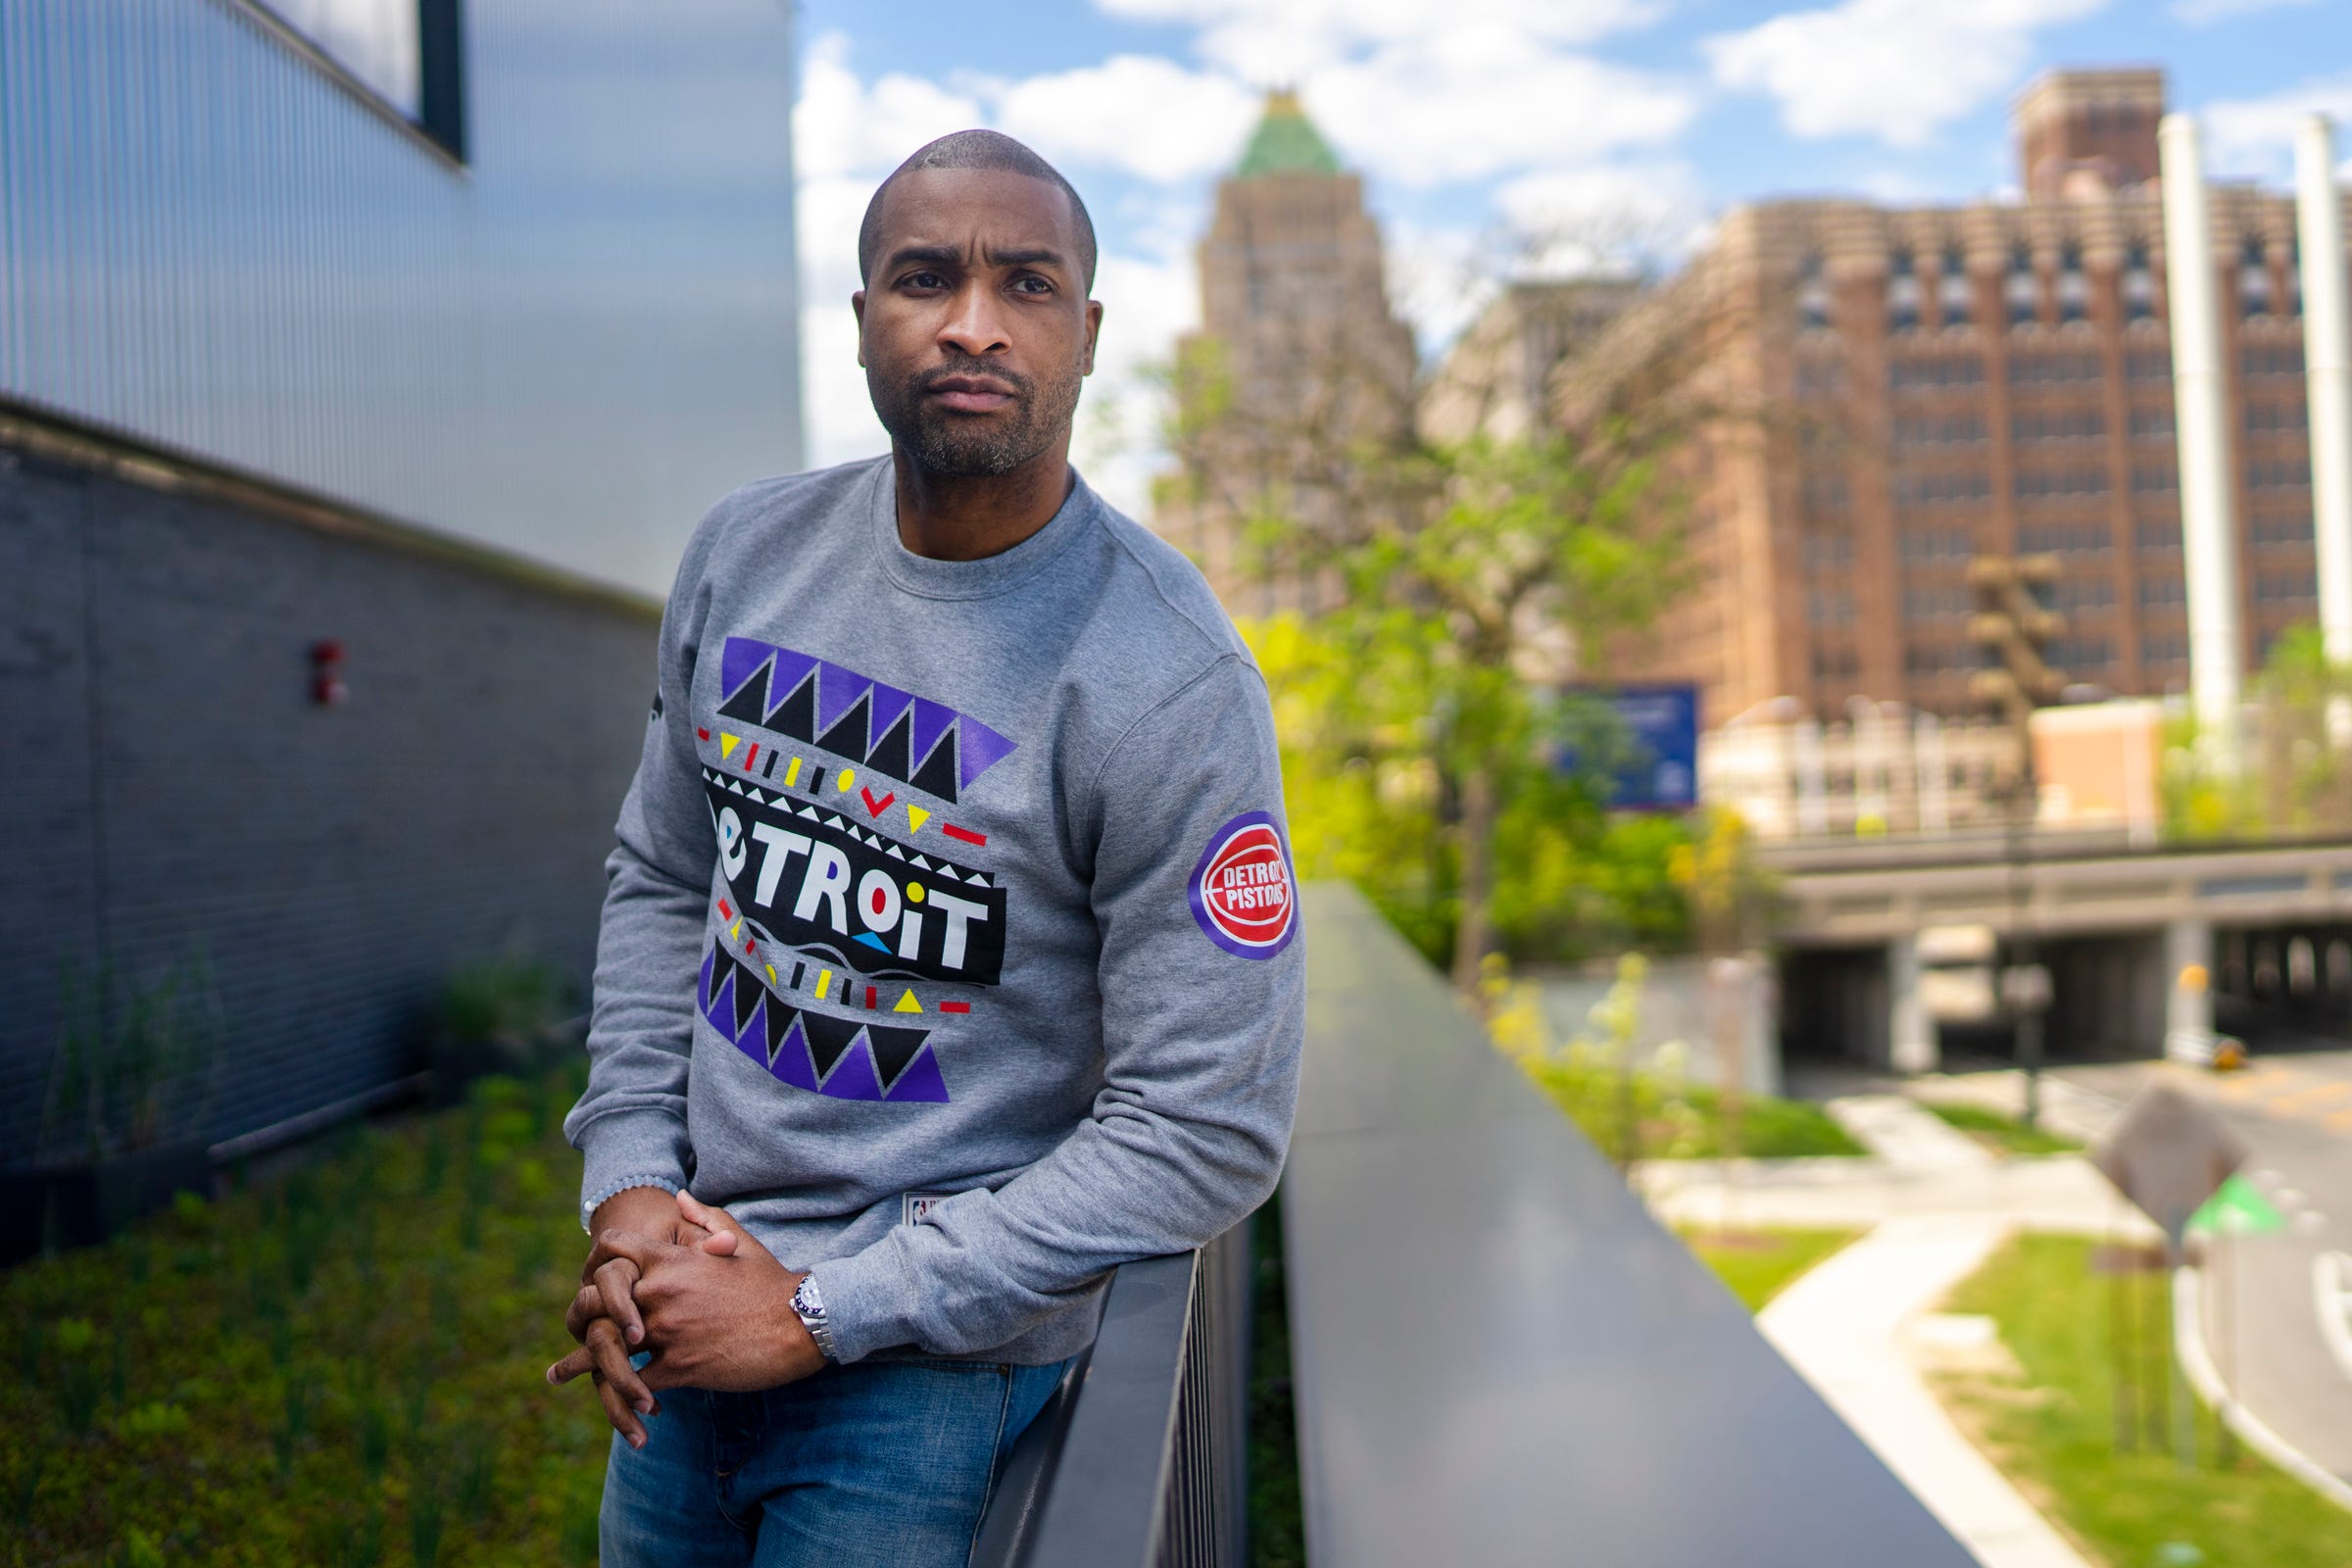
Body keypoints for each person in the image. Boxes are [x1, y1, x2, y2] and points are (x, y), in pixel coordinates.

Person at [545, 129, 1306, 1568]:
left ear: (1087, 333)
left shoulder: (1167, 678)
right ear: (862, 325)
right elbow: (664, 876)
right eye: (923, 278)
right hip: (685, 1311)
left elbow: (1208, 1124)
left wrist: (825, 1310)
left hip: (928, 1375)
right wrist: (634, 1188)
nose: (972, 321)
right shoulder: (744, 558)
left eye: (1026, 283)